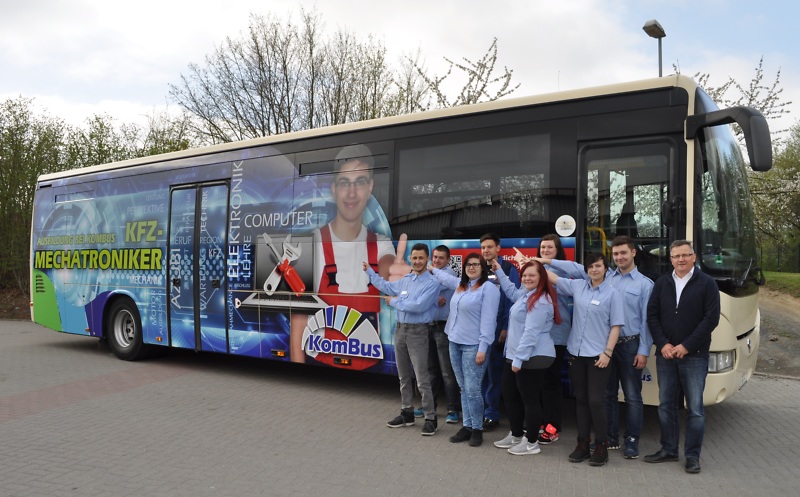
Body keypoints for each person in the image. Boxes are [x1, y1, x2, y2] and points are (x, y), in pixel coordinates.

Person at [290, 144, 396, 365]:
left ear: (370, 187)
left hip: (370, 366)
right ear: (334, 189)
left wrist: (396, 275)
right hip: (320, 362)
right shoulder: (310, 245)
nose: (351, 193)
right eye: (344, 183)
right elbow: (299, 319)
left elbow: (389, 269)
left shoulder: (382, 244)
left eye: (360, 182)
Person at [644, 240, 720, 474]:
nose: (681, 260)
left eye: (685, 255)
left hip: (694, 355)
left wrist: (686, 346)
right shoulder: (662, 283)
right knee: (666, 406)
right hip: (666, 355)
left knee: (695, 409)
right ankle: (668, 449)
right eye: (676, 256)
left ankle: (692, 456)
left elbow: (711, 319)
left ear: (694, 257)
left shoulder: (707, 283)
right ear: (671, 259)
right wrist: (663, 344)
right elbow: (652, 315)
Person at [546, 253, 624, 466]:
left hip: (599, 356)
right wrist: (536, 262)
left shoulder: (613, 294)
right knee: (580, 400)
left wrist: (608, 353)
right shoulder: (578, 286)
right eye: (590, 266)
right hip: (576, 354)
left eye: (598, 266)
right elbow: (553, 278)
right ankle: (582, 443)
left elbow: (616, 326)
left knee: (596, 401)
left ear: (605, 269)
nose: (594, 270)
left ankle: (601, 446)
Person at [364, 242, 441, 436]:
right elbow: (387, 286)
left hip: (418, 332)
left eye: (421, 258)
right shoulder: (406, 280)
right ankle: (407, 412)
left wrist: (395, 301)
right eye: (414, 258)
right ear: (410, 259)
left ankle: (430, 418)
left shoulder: (432, 283)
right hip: (400, 330)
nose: (417, 261)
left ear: (427, 259)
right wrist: (370, 272)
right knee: (403, 376)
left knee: (422, 378)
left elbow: (418, 306)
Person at [491, 259, 560, 456]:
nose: (527, 278)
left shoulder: (540, 301)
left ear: (541, 278)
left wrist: (518, 360)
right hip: (516, 355)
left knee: (529, 400)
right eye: (525, 275)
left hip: (533, 356)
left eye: (532, 275)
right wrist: (499, 271)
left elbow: (531, 334)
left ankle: (531, 443)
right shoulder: (525, 294)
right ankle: (516, 435)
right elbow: (511, 291)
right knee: (510, 395)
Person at [431, 253, 500, 447]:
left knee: (472, 389)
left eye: (476, 264)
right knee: (463, 388)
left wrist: (483, 348)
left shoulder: (488, 288)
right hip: (454, 342)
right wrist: (432, 268)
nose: (471, 267)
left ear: (482, 267)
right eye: (468, 264)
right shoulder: (461, 285)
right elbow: (446, 278)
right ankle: (467, 427)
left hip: (474, 345)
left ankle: (477, 429)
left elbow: (489, 320)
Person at [603, 236, 654, 459]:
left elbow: (646, 321)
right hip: (607, 346)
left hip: (631, 345)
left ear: (633, 253)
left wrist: (643, 350)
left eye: (623, 252)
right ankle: (610, 437)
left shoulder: (645, 285)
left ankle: (632, 440)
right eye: (615, 254)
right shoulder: (606, 279)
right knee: (608, 394)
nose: (619, 257)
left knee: (633, 396)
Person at [479, 233, 519, 431]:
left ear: (498, 248)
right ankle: (480, 411)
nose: (486, 250)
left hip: (497, 330)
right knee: (480, 373)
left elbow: (512, 299)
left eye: (489, 247)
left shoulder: (509, 269)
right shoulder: (477, 267)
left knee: (494, 375)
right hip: (479, 331)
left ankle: (491, 414)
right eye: (483, 247)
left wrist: (505, 327)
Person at [418, 245, 460, 424]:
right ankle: (429, 406)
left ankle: (453, 409)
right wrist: (434, 298)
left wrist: (428, 294)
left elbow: (428, 289)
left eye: (441, 258)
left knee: (447, 372)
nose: (436, 260)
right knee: (430, 370)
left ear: (448, 260)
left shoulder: (449, 274)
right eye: (434, 257)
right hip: (428, 326)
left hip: (443, 328)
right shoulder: (428, 274)